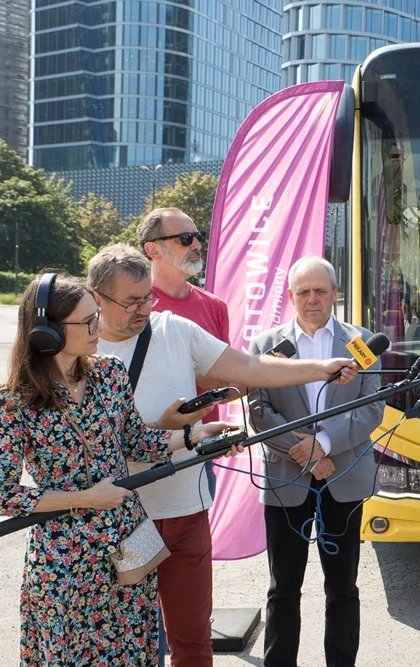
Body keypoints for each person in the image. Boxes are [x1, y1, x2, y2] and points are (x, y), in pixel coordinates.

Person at [88, 244, 359, 667]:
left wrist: (320, 367)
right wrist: (170, 433)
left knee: (192, 641)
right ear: (96, 298)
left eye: (148, 297)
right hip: (126, 518)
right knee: (132, 638)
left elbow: (249, 369)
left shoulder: (173, 329)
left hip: (186, 511)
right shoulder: (79, 352)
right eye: (131, 302)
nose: (143, 310)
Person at [0, 274, 239, 666]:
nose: (99, 328)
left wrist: (195, 435)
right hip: (67, 557)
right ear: (48, 333)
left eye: (97, 317)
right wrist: (85, 499)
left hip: (130, 539)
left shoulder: (109, 374)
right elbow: (4, 492)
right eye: (88, 322)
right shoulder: (16, 403)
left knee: (136, 650)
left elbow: (137, 442)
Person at [248, 256, 384, 667]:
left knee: (342, 587)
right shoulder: (264, 347)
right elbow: (258, 410)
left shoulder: (360, 343)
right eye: (303, 292)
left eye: (320, 291)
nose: (312, 299)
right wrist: (306, 451)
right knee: (282, 588)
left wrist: (323, 445)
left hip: (343, 476)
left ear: (334, 294)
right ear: (290, 297)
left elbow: (372, 409)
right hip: (287, 480)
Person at [140, 207, 237, 498]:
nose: (196, 245)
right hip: (143, 447)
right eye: (185, 238)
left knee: (193, 541)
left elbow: (227, 376)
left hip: (200, 446)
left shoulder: (215, 305)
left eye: (198, 236)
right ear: (152, 249)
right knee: (139, 542)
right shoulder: (135, 306)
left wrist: (271, 370)